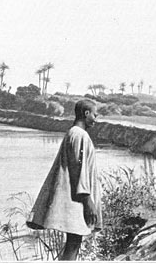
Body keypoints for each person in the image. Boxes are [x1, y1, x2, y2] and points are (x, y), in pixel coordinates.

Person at [27, 100, 102, 260]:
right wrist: (88, 201)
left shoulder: (74, 133)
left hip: (74, 197)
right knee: (74, 242)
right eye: (95, 115)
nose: (96, 119)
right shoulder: (79, 135)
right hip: (77, 199)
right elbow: (78, 170)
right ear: (86, 113)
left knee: (74, 242)